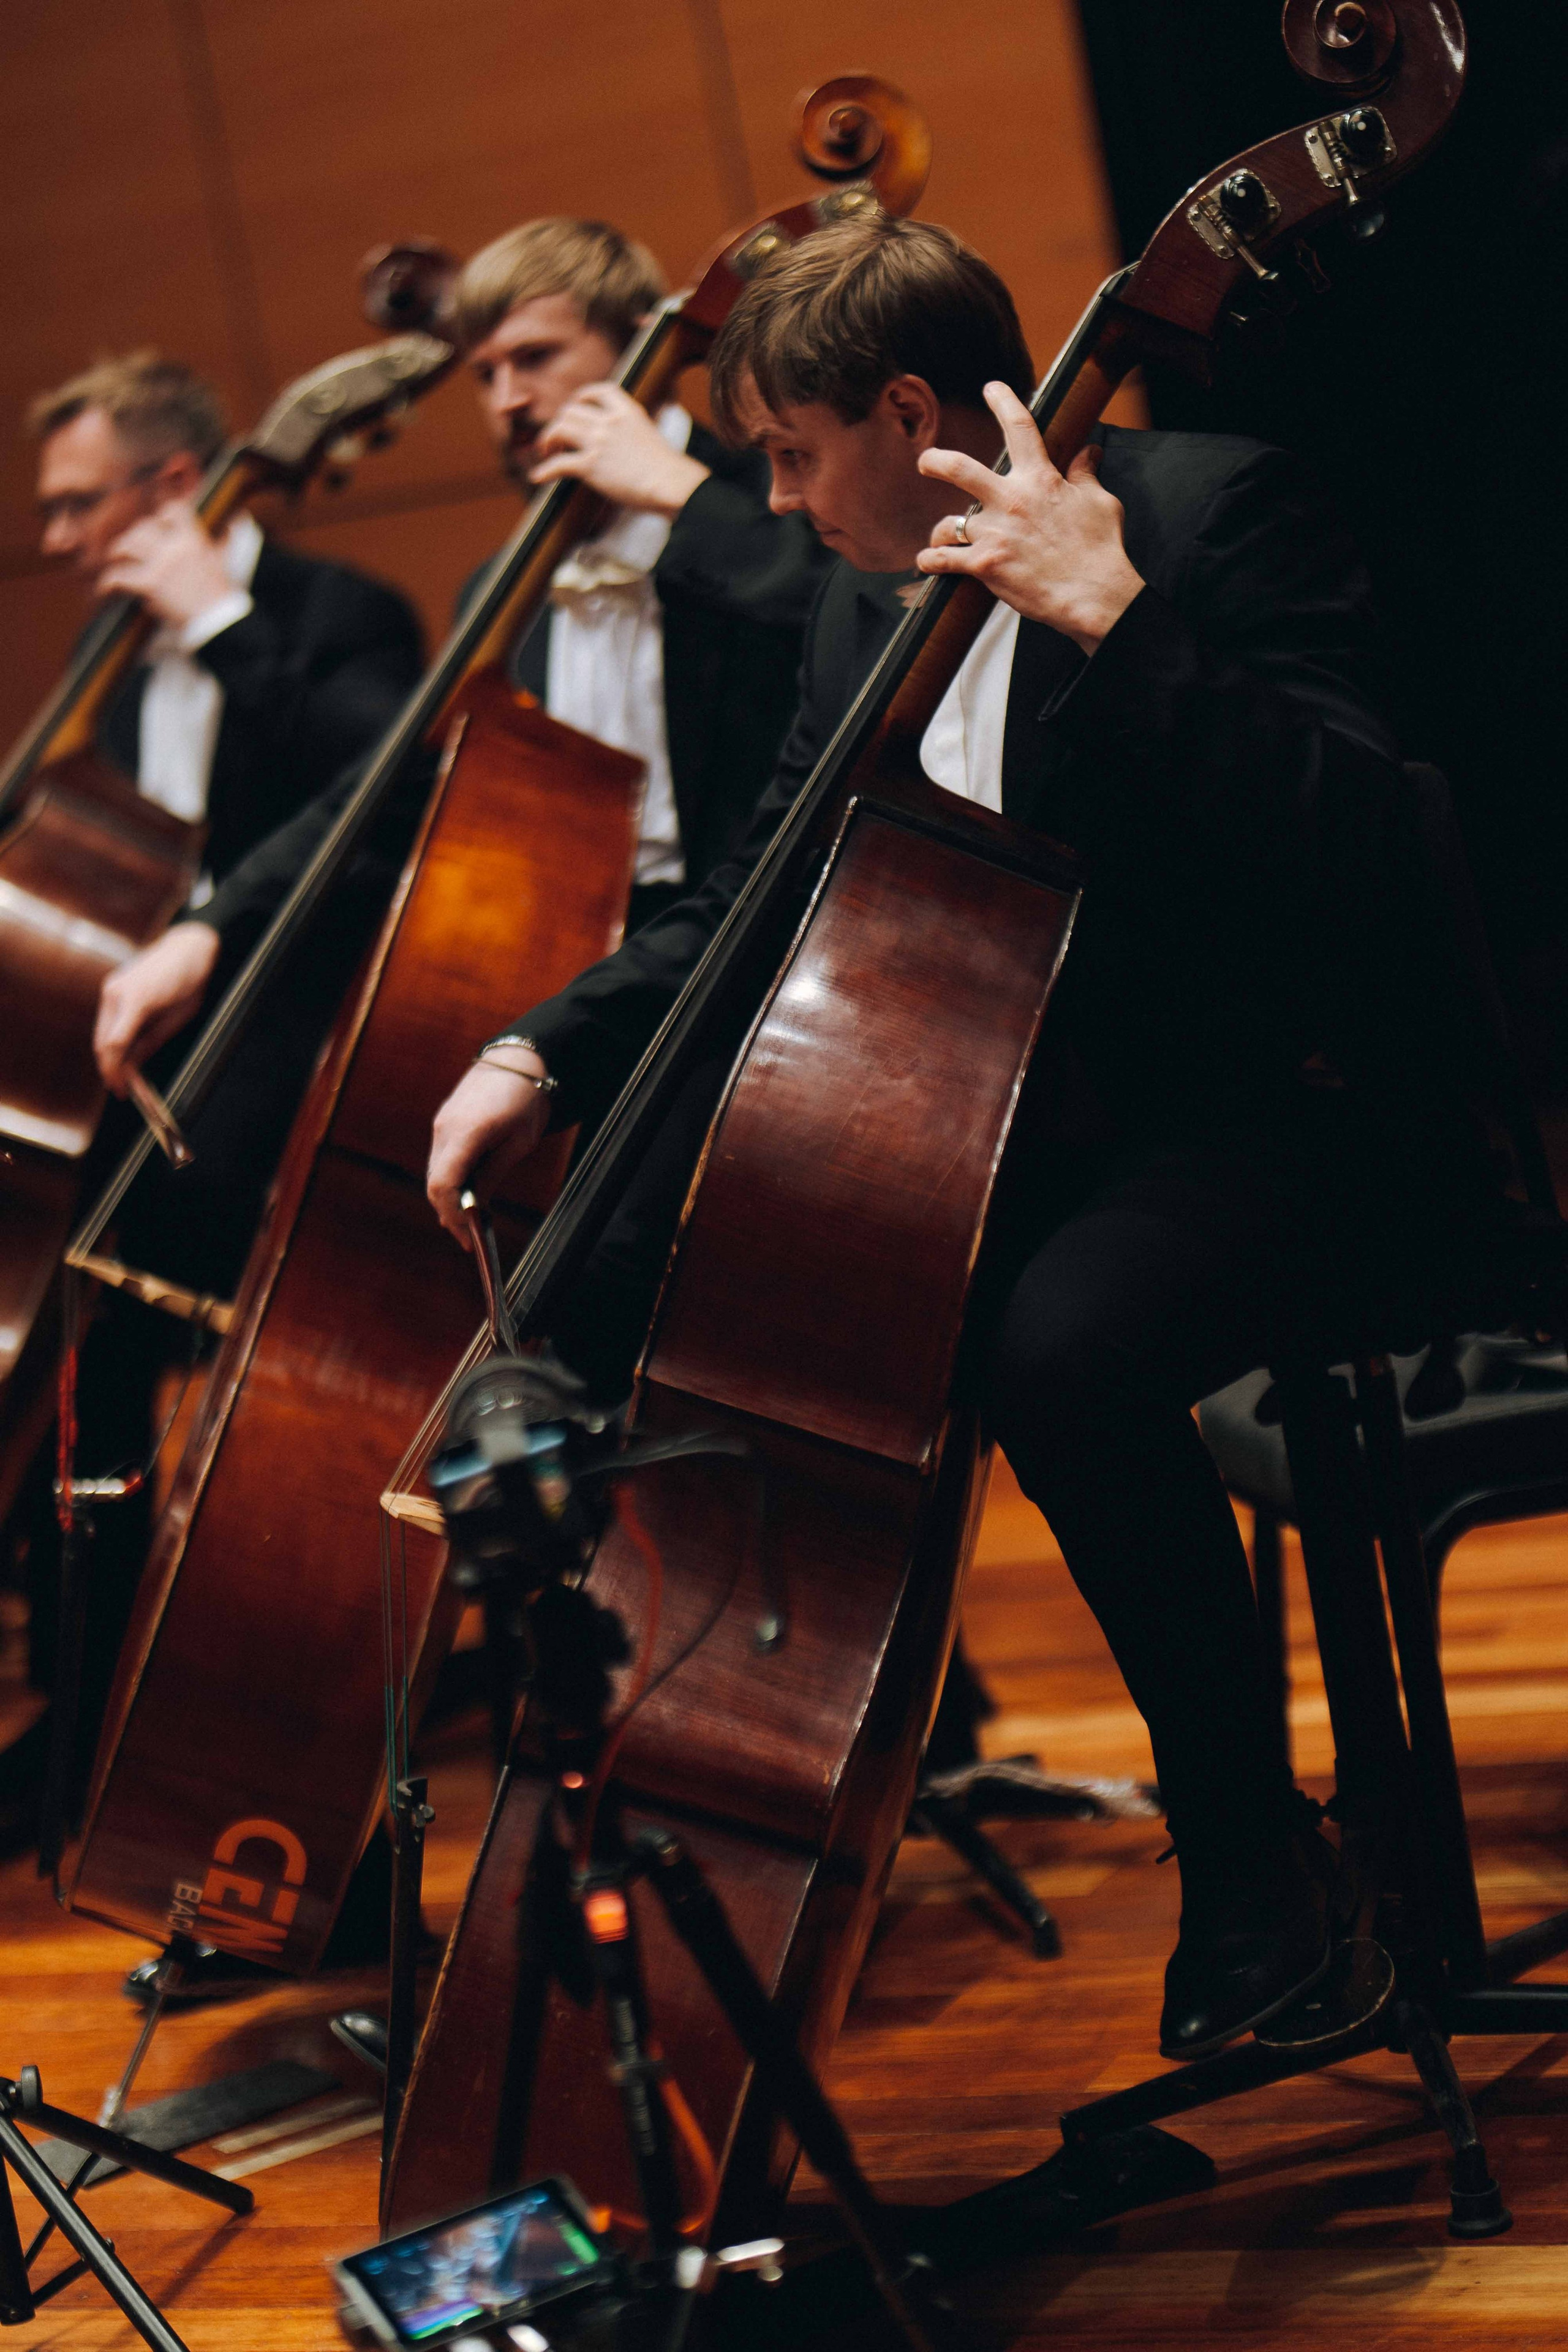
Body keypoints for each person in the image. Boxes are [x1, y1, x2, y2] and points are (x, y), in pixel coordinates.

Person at [424, 214, 1498, 2061]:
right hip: (1026, 1125)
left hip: (1281, 1117)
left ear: (907, 409)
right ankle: (704, 1876)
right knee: (695, 1282)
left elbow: (1373, 867)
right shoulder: (862, 595)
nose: (769, 498)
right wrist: (545, 1048)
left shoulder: (1208, 511)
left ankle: (1257, 1857)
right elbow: (761, 882)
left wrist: (1123, 624)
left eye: (786, 451)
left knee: (1059, 1352)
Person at [94, 219, 831, 1102]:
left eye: (536, 358)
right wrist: (212, 930)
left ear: (641, 341)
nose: (507, 399)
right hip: (594, 981)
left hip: (778, 968)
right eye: (485, 374)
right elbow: (398, 779)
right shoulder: (503, 588)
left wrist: (683, 498)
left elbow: (855, 609)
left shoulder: (764, 497)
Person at [0, 353, 424, 1857]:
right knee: (71, 1360)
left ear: (171, 485)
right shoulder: (120, 661)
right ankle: (83, 1701)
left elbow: (386, 803)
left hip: (283, 1046)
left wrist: (222, 627)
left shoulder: (329, 616)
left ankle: (201, 1700)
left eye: (75, 505)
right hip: (148, 1055)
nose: (54, 541)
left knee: (97, 1312)